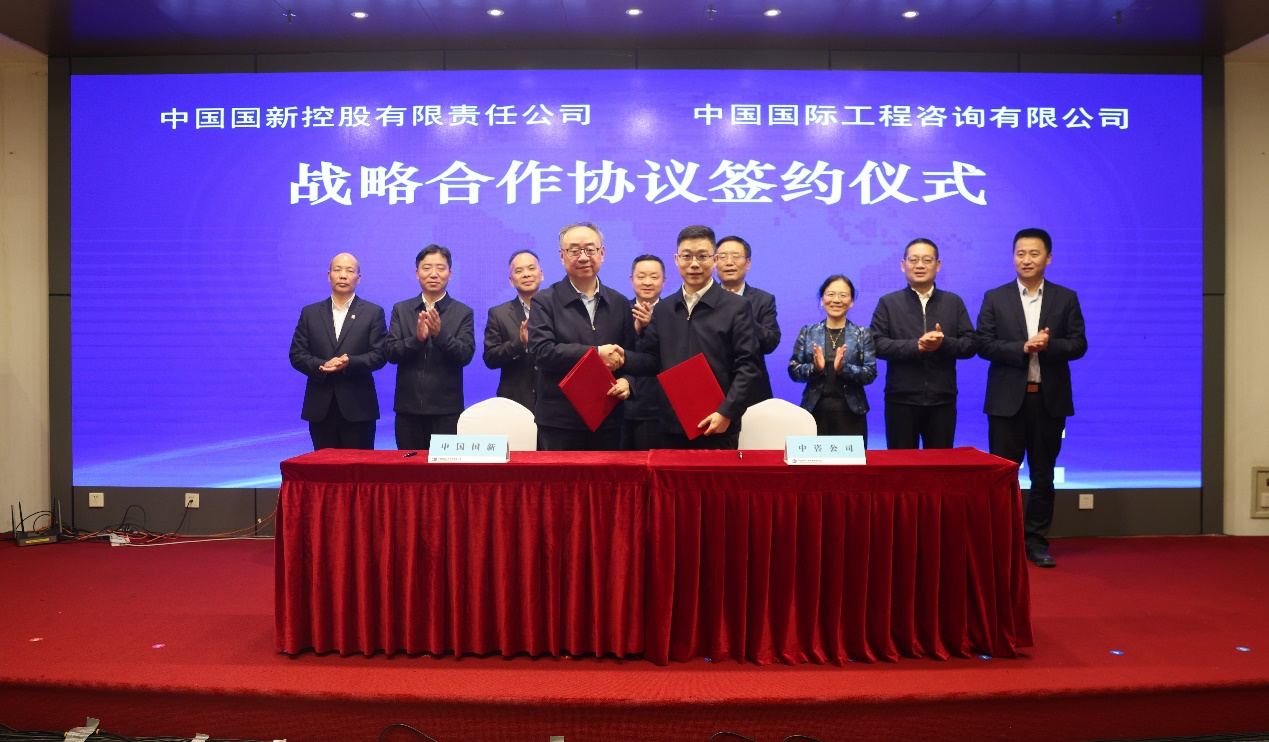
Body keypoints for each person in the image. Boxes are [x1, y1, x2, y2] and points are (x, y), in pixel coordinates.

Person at [978, 228, 1088, 568]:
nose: (1026, 260)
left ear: (1048, 258)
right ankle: (1001, 541)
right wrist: (1022, 348)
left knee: (1043, 474)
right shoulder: (995, 297)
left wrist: (1049, 346)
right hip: (1006, 401)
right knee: (1002, 475)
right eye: (1020, 253)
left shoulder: (1065, 298)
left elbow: (1079, 344)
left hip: (1047, 400)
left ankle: (1036, 541)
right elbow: (983, 344)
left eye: (1034, 253)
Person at [527, 222, 650, 450]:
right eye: (574, 250)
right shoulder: (545, 301)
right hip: (560, 420)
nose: (583, 257)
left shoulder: (619, 302)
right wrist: (597, 353)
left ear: (602, 253)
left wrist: (628, 382)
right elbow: (541, 352)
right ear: (562, 256)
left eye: (590, 249)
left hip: (607, 417)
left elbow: (631, 355)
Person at [638, 225, 760, 450]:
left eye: (702, 256)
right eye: (687, 256)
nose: (694, 264)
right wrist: (621, 357)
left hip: (718, 425)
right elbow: (651, 360)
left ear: (714, 260)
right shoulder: (664, 309)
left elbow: (748, 367)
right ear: (676, 260)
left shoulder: (737, 307)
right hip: (671, 425)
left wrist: (727, 412)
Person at [869, 238, 976, 449]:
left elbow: (971, 344)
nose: (920, 265)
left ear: (938, 265)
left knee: (939, 465)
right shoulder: (888, 302)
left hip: (942, 401)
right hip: (900, 400)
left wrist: (943, 343)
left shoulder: (953, 302)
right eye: (913, 260)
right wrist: (916, 346)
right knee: (901, 465)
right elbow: (876, 344)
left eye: (927, 260)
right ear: (903, 265)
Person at [289, 253, 387, 450]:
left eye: (349, 271)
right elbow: (297, 354)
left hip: (359, 408)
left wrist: (350, 363)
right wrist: (322, 365)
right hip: (320, 407)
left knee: (359, 466)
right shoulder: (310, 313)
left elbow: (380, 355)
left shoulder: (372, 312)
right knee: (324, 466)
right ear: (329, 276)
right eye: (337, 270)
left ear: (358, 278)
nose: (343, 275)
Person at [385, 244, 475, 451]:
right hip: (407, 411)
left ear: (450, 274)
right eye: (427, 268)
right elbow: (390, 352)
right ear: (417, 273)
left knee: (444, 469)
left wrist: (439, 335)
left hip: (447, 412)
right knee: (409, 468)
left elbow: (465, 355)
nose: (433, 274)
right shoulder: (401, 309)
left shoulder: (463, 312)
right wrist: (417, 340)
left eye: (440, 268)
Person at [788, 275, 876, 441]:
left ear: (851, 301)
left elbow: (870, 373)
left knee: (849, 459)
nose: (836, 300)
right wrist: (816, 368)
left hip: (851, 414)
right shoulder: (808, 332)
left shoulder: (862, 334)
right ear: (822, 300)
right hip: (814, 413)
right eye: (830, 294)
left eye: (843, 295)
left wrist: (843, 368)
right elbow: (794, 371)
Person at [714, 235, 781, 402]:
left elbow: (770, 343)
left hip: (753, 390)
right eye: (722, 257)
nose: (729, 262)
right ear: (714, 262)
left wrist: (743, 313)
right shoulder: (705, 299)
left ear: (748, 263)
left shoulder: (764, 299)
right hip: (714, 388)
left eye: (736, 256)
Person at [482, 249, 543, 411]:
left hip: (552, 401)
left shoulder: (557, 310)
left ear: (541, 274)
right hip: (514, 402)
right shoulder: (498, 314)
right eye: (519, 271)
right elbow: (490, 359)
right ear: (511, 280)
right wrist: (519, 343)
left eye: (531, 268)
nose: (526, 274)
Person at [623, 254, 667, 450]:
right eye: (641, 276)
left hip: (656, 408)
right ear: (631, 279)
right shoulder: (619, 310)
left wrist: (650, 327)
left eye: (654, 277)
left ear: (664, 280)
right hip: (620, 406)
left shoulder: (671, 313)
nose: (647, 282)